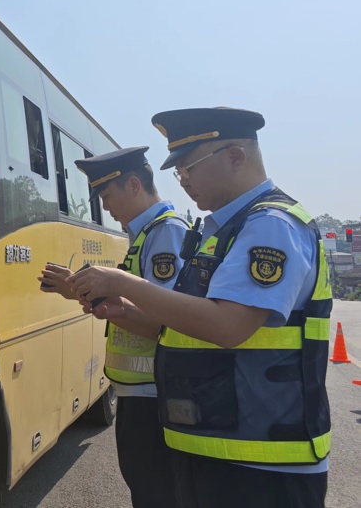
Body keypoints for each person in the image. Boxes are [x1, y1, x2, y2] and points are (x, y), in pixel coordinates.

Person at [70, 107, 331, 508]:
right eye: (179, 173)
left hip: (264, 462)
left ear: (235, 158)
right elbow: (178, 327)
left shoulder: (270, 225)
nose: (184, 181)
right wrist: (121, 309)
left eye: (189, 167)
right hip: (221, 447)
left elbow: (228, 327)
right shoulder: (223, 231)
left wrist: (123, 283)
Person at [39, 146, 188, 508]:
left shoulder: (166, 233)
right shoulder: (147, 235)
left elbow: (164, 323)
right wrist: (79, 289)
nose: (105, 208)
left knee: (156, 494)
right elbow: (129, 307)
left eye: (107, 195)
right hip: (140, 396)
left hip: (156, 397)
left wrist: (89, 294)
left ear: (133, 184)